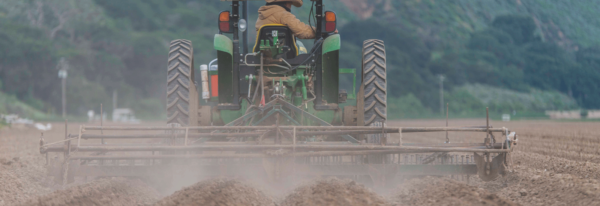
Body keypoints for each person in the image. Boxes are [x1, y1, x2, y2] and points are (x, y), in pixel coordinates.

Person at [256, 0, 336, 40]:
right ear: (286, 3)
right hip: (283, 56)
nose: (290, 6)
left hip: (263, 55)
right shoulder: (284, 15)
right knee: (300, 47)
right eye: (291, 3)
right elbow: (302, 31)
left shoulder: (261, 16)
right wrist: (322, 32)